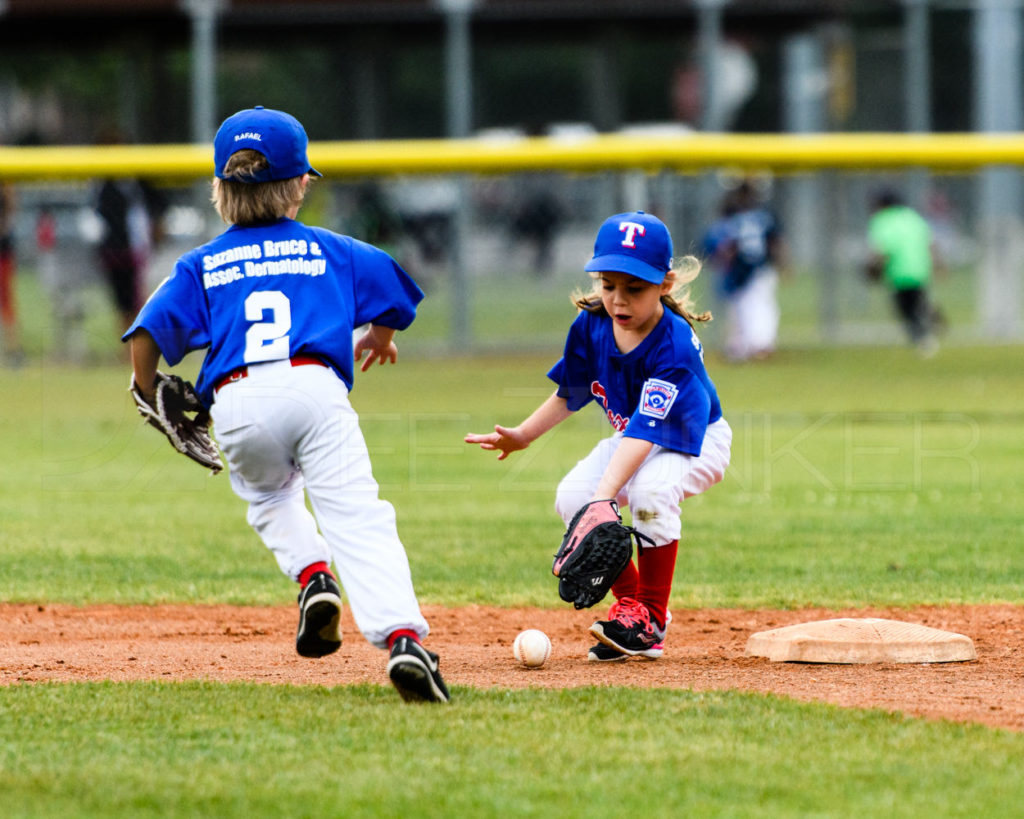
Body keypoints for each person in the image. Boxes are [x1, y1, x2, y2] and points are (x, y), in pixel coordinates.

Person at [122, 106, 450, 703]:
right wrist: (381, 336)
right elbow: (398, 293)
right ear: (301, 185)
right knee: (357, 515)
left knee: (270, 498)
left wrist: (146, 389)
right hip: (316, 390)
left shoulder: (201, 264)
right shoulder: (334, 249)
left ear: (220, 189)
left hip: (237, 400)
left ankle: (312, 576)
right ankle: (403, 639)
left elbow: (147, 333)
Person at [465, 211, 731, 661]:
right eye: (609, 285)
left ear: (665, 284)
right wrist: (524, 436)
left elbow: (648, 434)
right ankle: (630, 607)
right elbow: (571, 392)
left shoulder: (674, 345)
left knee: (650, 491)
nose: (618, 300)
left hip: (695, 441)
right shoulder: (591, 325)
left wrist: (605, 499)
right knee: (572, 497)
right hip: (634, 437)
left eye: (635, 288)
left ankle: (651, 617)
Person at [702, 181, 786, 362]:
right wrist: (783, 264)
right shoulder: (762, 217)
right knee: (758, 307)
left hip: (741, 269)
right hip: (758, 268)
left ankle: (745, 346)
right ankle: (755, 345)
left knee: (746, 308)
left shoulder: (732, 221)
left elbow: (724, 248)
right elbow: (775, 243)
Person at [865, 188, 945, 356]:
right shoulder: (913, 217)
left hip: (899, 271)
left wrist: (873, 268)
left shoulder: (883, 220)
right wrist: (938, 264)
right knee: (916, 301)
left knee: (906, 309)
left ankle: (922, 340)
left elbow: (883, 249)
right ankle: (927, 312)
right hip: (920, 268)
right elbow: (931, 243)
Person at [0, 181, 24, 364]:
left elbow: (10, 211)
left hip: (2, 250)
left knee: (5, 298)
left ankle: (14, 351)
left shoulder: (6, 182)